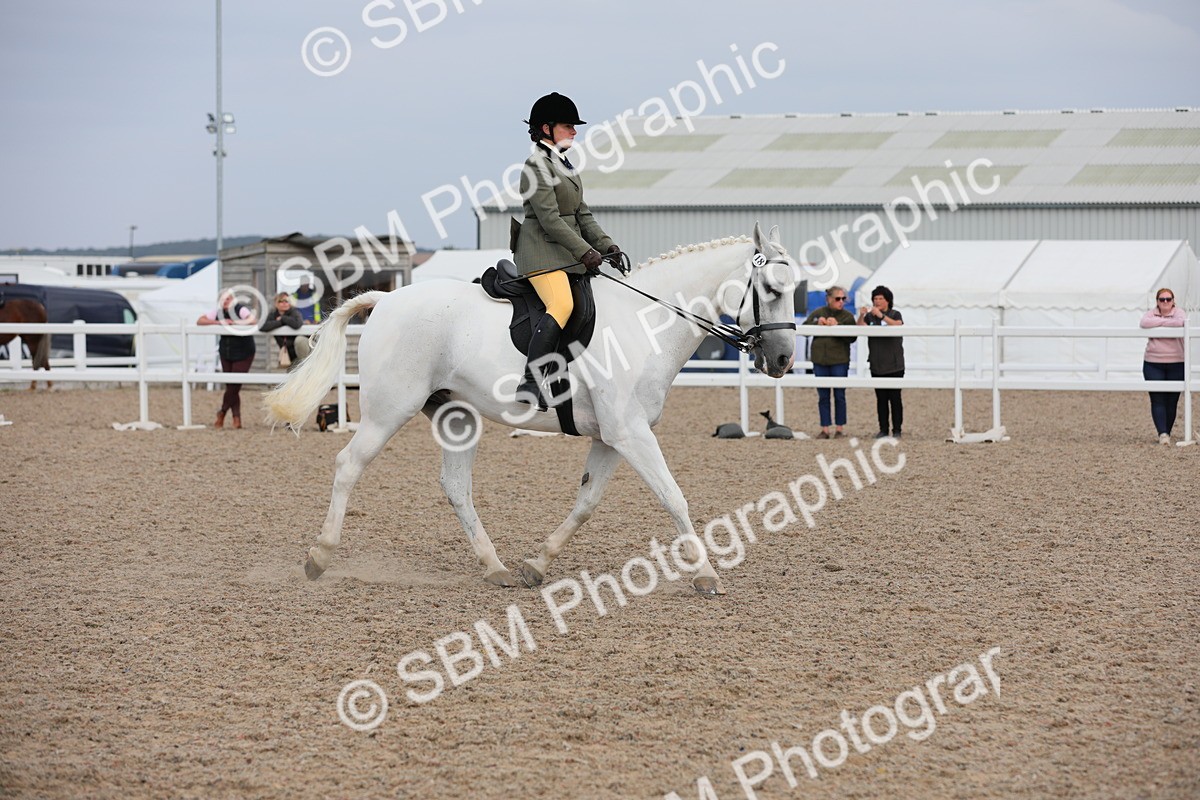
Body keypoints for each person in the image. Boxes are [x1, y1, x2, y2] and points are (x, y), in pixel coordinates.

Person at [512, 92, 621, 410]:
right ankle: (531, 382)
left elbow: (582, 214)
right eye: (567, 125)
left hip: (565, 254)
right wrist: (585, 251)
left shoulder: (564, 165)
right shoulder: (535, 166)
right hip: (541, 253)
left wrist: (607, 245)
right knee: (561, 304)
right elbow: (550, 220)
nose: (574, 131)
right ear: (546, 129)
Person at [197, 289, 257, 429]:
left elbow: (253, 320)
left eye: (228, 298)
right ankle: (236, 419)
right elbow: (200, 321)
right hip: (226, 352)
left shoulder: (240, 309)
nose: (225, 301)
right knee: (231, 386)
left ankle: (222, 412)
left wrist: (235, 322)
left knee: (235, 384)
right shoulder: (218, 312)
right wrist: (219, 323)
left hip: (244, 351)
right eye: (223, 299)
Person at [803, 285, 856, 438]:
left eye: (843, 299)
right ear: (829, 299)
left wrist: (838, 326)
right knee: (823, 396)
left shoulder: (847, 316)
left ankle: (839, 429)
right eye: (838, 298)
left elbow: (853, 337)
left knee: (840, 395)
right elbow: (804, 329)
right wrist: (816, 324)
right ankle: (825, 429)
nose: (841, 302)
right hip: (820, 360)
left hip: (840, 361)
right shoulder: (818, 313)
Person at [857, 285, 905, 438]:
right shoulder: (870, 317)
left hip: (894, 365)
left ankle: (897, 430)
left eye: (880, 298)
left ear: (888, 300)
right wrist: (861, 315)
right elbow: (860, 327)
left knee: (895, 398)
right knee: (881, 399)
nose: (877, 301)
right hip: (877, 365)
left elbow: (898, 325)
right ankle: (883, 429)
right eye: (875, 298)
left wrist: (882, 316)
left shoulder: (895, 314)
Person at [1140, 288, 1187, 445]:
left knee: (1172, 400)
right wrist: (1166, 322)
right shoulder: (1150, 314)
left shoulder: (1179, 313)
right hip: (1153, 363)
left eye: (1168, 299)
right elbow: (1144, 323)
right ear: (1157, 301)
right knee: (1157, 399)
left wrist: (1159, 323)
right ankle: (1163, 433)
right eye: (1162, 299)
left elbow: (1181, 322)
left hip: (1177, 362)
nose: (1165, 302)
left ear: (1173, 301)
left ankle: (1168, 431)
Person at [260, 292, 310, 368]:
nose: (284, 303)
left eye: (286, 301)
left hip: (301, 353)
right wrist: (280, 322)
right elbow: (262, 326)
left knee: (300, 340)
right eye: (281, 301)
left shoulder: (294, 312)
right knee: (290, 373)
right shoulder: (273, 315)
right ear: (276, 303)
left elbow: (297, 324)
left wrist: (283, 318)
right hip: (287, 354)